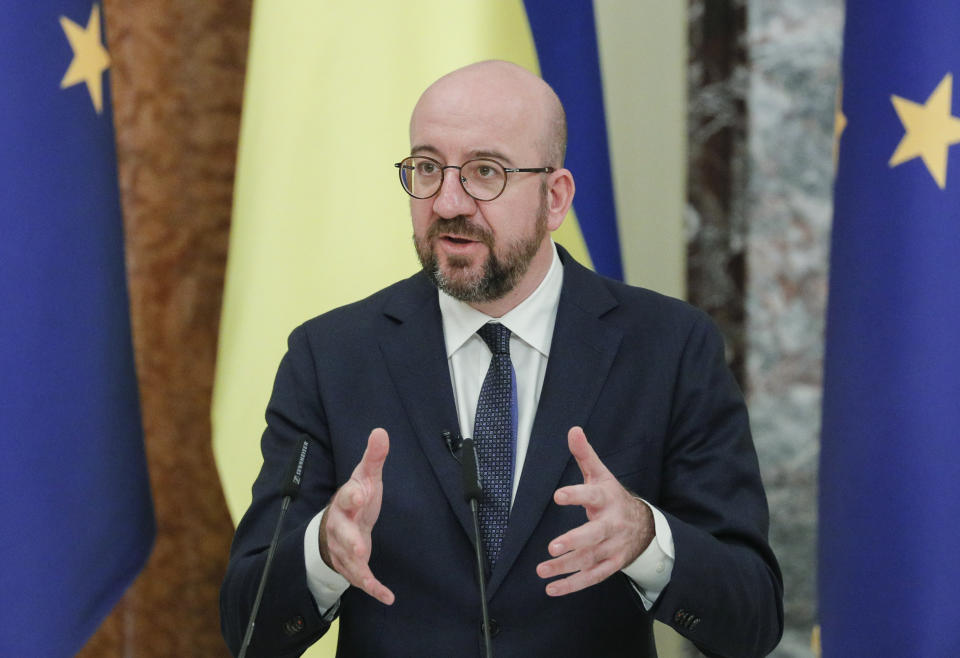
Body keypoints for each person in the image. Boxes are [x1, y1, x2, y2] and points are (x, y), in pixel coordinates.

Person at [221, 60, 783, 657]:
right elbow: (246, 628)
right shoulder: (330, 356)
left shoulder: (669, 347)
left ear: (555, 197)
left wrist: (648, 539)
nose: (447, 202)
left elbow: (753, 618)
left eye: (485, 171)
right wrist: (322, 555)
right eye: (427, 168)